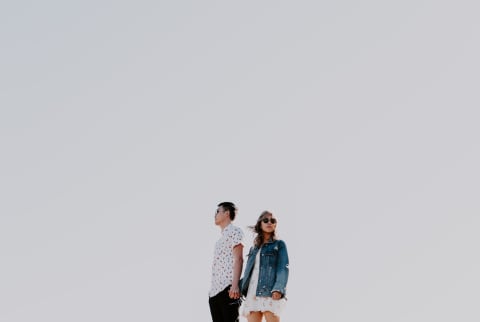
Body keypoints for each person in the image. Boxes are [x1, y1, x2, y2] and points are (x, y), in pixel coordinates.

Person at [240, 211, 289, 322]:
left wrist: (278, 288)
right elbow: (250, 273)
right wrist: (239, 286)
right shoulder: (254, 249)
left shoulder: (279, 244)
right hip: (252, 293)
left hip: (270, 291)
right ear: (260, 224)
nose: (269, 223)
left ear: (275, 224)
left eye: (273, 221)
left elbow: (283, 267)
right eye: (265, 220)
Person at [209, 201, 245, 322]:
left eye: (218, 211)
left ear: (227, 213)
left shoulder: (234, 231)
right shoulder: (220, 240)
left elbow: (239, 259)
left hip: (228, 290)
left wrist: (234, 285)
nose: (215, 214)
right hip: (214, 292)